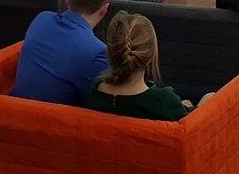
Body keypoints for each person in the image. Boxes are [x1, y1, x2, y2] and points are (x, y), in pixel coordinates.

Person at [87, 12, 215, 120]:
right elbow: (187, 126)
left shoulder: (95, 89)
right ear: (151, 55)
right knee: (210, 97)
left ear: (110, 51)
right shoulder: (163, 101)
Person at [12, 0, 111, 106]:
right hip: (56, 118)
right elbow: (100, 102)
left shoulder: (41, 19)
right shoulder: (98, 52)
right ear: (104, 10)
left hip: (13, 110)